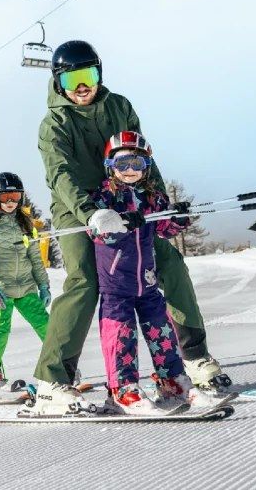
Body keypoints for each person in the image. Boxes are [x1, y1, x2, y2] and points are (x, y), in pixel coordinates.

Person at [28, 40, 229, 416]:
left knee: (168, 262)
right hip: (79, 208)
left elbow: (145, 159)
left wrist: (161, 207)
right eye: (72, 78)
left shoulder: (119, 106)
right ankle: (53, 381)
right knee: (86, 280)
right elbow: (60, 174)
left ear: (99, 74)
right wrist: (91, 212)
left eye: (88, 75)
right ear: (58, 82)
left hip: (127, 198)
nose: (82, 85)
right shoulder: (53, 124)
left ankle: (194, 358)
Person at [90, 131, 211, 414]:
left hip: (146, 281)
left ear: (146, 168)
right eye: (122, 164)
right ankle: (123, 390)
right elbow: (98, 234)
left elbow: (163, 229)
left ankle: (172, 381)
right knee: (121, 335)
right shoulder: (103, 198)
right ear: (111, 166)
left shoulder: (150, 198)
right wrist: (117, 222)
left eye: (137, 164)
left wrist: (178, 220)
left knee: (163, 331)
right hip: (116, 283)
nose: (130, 170)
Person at [0, 172, 52, 400]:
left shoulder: (26, 222)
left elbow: (35, 257)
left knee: (48, 326)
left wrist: (44, 285)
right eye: (5, 197)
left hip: (26, 287)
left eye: (14, 196)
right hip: (1, 289)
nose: (10, 202)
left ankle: (59, 370)